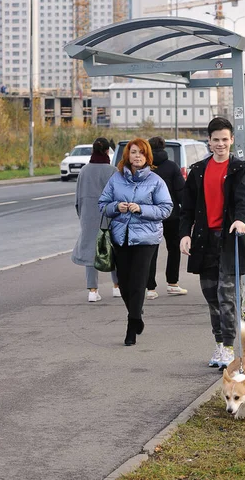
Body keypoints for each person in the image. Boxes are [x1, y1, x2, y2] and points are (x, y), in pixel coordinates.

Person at [180, 117, 245, 370]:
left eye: (225, 139)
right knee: (211, 295)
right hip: (204, 242)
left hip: (228, 239)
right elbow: (187, 208)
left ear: (231, 140)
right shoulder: (198, 170)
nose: (221, 144)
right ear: (209, 142)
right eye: (216, 140)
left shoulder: (239, 169)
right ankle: (219, 342)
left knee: (225, 296)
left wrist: (242, 220)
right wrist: (185, 233)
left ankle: (227, 347)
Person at [98, 138, 173, 346]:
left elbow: (166, 209)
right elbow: (102, 205)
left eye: (141, 152)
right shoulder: (116, 179)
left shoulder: (156, 181)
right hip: (120, 237)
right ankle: (136, 314)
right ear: (127, 155)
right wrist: (116, 207)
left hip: (146, 238)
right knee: (123, 283)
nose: (137, 156)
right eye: (133, 152)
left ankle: (132, 325)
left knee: (139, 282)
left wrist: (141, 209)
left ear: (147, 156)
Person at [72, 137, 120, 302]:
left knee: (91, 251)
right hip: (109, 214)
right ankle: (117, 287)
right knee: (113, 249)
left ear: (93, 151)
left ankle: (92, 290)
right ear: (108, 151)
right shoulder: (112, 170)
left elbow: (78, 198)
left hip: (88, 215)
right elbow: (118, 196)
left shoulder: (84, 171)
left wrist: (82, 216)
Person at [146, 136, 187, 299]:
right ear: (164, 148)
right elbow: (181, 192)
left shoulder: (145, 167)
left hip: (149, 216)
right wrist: (186, 212)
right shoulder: (172, 167)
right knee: (173, 249)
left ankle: (150, 288)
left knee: (150, 251)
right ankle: (172, 283)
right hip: (171, 215)